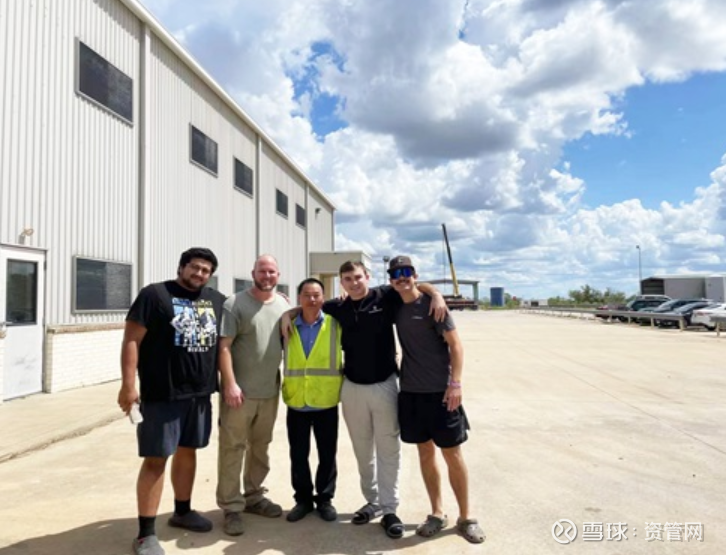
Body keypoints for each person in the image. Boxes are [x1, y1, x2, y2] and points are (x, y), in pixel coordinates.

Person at [283, 261, 446, 539]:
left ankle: (390, 507)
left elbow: (416, 286)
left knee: (388, 449)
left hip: (384, 385)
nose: (354, 283)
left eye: (358, 277)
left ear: (367, 276)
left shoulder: (386, 295)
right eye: (348, 279)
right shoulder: (337, 307)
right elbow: (311, 305)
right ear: (342, 282)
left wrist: (437, 295)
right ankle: (373, 501)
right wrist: (289, 313)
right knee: (362, 451)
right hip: (352, 387)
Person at [118, 247, 226, 555]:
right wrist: (128, 385)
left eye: (206, 270)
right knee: (156, 458)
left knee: (188, 451)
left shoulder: (216, 301)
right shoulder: (154, 295)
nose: (199, 274)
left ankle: (182, 511)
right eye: (195, 267)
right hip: (162, 393)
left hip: (200, 393)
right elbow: (131, 340)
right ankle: (145, 534)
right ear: (181, 267)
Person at [388, 255, 485, 544]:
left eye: (407, 271)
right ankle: (437, 512)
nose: (402, 277)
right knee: (425, 453)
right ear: (391, 279)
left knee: (452, 454)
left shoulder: (432, 305)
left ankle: (466, 517)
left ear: (415, 274)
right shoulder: (395, 304)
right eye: (396, 273)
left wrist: (456, 383)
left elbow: (456, 345)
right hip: (411, 393)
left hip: (442, 393)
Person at [216, 255, 290, 536]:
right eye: (262, 271)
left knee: (261, 446)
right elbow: (224, 347)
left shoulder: (283, 305)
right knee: (232, 447)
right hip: (239, 394)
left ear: (278, 274)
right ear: (253, 273)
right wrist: (230, 384)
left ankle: (254, 496)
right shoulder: (235, 304)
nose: (267, 276)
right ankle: (231, 506)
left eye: (271, 271)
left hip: (269, 392)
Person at [281, 278, 343, 523]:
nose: (312, 299)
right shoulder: (287, 325)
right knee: (298, 454)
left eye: (317, 294)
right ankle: (303, 500)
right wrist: (286, 314)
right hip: (297, 399)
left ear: (323, 297)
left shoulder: (335, 323)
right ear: (299, 298)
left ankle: (325, 499)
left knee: (327, 454)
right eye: (307, 295)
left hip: (326, 399)